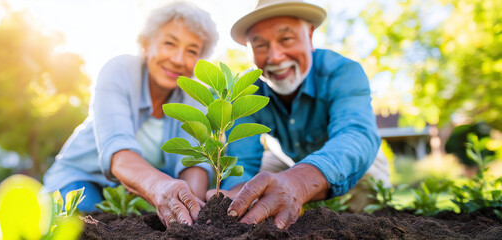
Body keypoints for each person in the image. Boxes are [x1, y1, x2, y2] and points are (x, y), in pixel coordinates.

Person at [210, 0, 388, 229]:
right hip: (284, 159)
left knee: (368, 206)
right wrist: (237, 196)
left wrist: (298, 183)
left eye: (286, 39)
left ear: (310, 36)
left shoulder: (342, 72)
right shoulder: (245, 91)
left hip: (353, 156)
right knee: (256, 189)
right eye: (260, 45)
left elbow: (356, 135)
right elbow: (242, 161)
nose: (275, 57)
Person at [43, 1, 218, 227]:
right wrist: (161, 188)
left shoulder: (195, 96)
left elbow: (194, 163)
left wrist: (190, 211)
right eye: (169, 43)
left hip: (136, 197)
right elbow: (119, 154)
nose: (178, 59)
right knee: (85, 224)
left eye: (192, 51)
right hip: (81, 181)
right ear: (147, 44)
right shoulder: (120, 71)